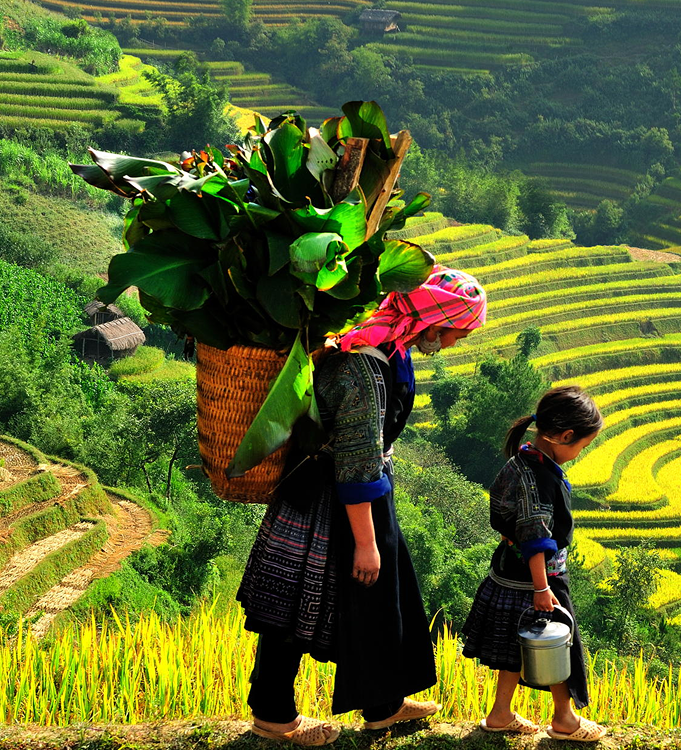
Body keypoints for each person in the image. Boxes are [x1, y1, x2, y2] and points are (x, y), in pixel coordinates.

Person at [237, 267, 488, 746]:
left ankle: (384, 705)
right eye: (458, 331)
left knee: (381, 600)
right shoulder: (361, 367)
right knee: (294, 605)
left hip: (365, 490)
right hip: (329, 497)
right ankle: (273, 715)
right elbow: (355, 463)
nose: (456, 341)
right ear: (434, 321)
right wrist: (367, 543)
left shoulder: (392, 346)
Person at [460, 385, 607, 742]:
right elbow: (534, 536)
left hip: (509, 571)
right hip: (539, 579)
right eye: (582, 446)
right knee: (559, 642)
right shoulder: (537, 477)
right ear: (565, 436)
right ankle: (565, 720)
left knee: (517, 647)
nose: (579, 453)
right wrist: (542, 588)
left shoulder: (522, 461)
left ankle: (500, 714)